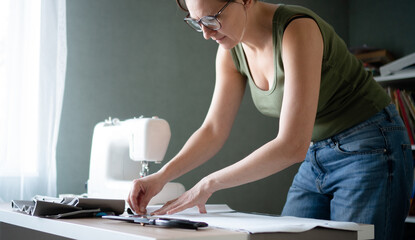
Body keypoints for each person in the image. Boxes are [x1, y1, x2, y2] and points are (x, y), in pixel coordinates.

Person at [127, 1, 413, 239]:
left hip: (372, 146)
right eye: (197, 22)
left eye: (213, 18)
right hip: (318, 152)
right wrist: (160, 177)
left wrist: (207, 185)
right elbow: (213, 129)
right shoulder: (231, 51)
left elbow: (291, 145)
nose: (206, 33)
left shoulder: (297, 30)